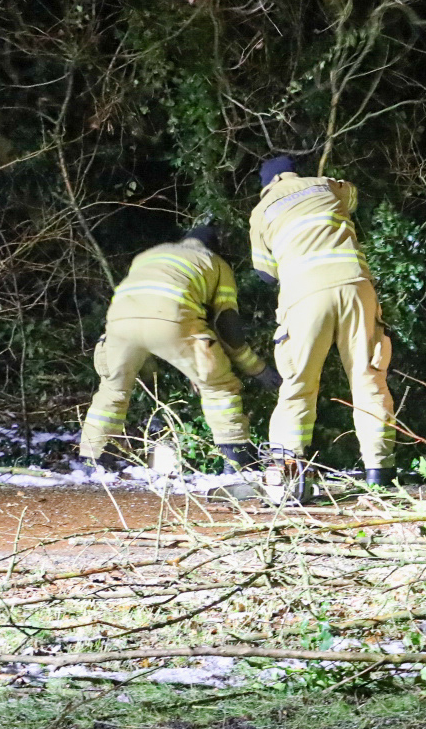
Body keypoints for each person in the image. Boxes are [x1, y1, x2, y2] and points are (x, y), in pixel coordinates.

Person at [249, 153, 397, 502]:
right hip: (355, 286)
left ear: (266, 183)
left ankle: (288, 474)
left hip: (304, 296)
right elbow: (356, 198)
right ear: (294, 172)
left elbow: (263, 272)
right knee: (368, 378)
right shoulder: (326, 186)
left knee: (299, 385)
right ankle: (380, 474)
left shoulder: (261, 211)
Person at [78, 223, 279, 475]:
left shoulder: (148, 255)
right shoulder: (215, 263)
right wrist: (257, 369)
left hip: (119, 324)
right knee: (218, 386)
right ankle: (238, 460)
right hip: (171, 320)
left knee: (113, 389)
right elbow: (227, 324)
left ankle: (92, 461)